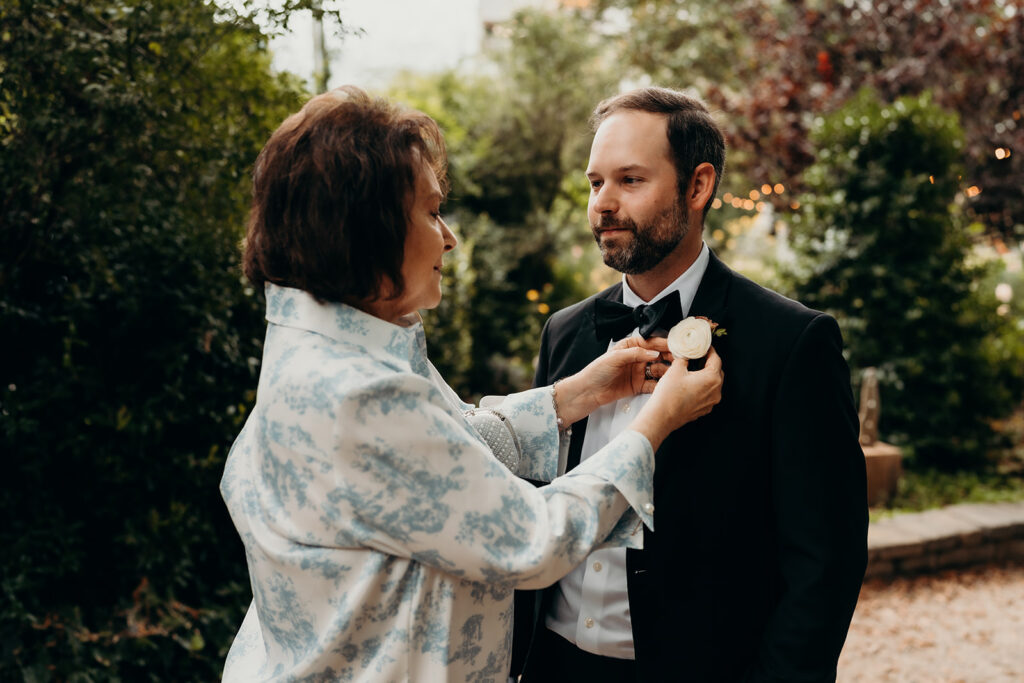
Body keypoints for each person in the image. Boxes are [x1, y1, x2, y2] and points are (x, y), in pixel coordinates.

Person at [218, 86, 724, 682]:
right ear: (367, 228)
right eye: (432, 212)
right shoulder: (356, 394)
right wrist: (654, 422)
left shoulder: (338, 349)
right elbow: (532, 537)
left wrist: (576, 394)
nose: (449, 238)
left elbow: (451, 450)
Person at [514, 87, 868, 682]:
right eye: (595, 182)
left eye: (629, 180)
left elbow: (824, 564)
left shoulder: (793, 342)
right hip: (552, 665)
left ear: (698, 186)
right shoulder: (565, 333)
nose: (603, 203)